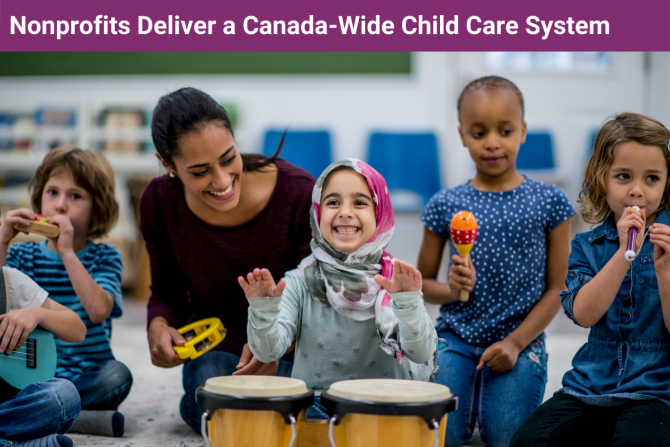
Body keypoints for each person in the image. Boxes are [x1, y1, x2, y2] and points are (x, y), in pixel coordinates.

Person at [142, 87, 315, 432]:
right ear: (166, 164)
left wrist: (275, 347)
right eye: (199, 171)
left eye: (227, 158)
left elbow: (317, 300)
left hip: (294, 345)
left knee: (302, 411)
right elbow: (166, 292)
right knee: (221, 411)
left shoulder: (299, 193)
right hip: (219, 347)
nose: (222, 181)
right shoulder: (159, 204)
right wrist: (158, 326)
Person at [416, 76, 575, 447]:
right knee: (443, 437)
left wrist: (516, 344)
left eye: (504, 130)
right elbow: (422, 284)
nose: (491, 142)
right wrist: (453, 290)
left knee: (506, 438)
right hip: (455, 337)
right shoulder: (444, 204)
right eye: (478, 132)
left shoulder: (550, 202)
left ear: (522, 131)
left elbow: (559, 288)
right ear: (461, 134)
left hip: (521, 337)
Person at [511, 113, 670, 446]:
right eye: (624, 176)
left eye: (652, 178)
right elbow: (583, 315)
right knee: (528, 442)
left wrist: (665, 273)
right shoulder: (586, 246)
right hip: (590, 387)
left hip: (656, 391)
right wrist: (621, 257)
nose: (637, 191)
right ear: (602, 180)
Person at [240, 159, 438, 418]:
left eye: (359, 202)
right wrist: (263, 311)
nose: (345, 212)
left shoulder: (399, 283)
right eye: (333, 202)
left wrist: (408, 302)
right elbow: (269, 351)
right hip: (316, 404)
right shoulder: (297, 281)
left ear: (380, 214)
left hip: (387, 404)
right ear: (317, 213)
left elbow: (420, 351)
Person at [0, 147, 131, 438]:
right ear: (39, 197)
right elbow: (0, 293)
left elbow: (98, 311)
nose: (60, 205)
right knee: (43, 392)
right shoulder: (22, 254)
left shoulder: (106, 257)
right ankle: (74, 416)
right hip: (28, 374)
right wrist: (3, 240)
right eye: (52, 192)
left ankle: (48, 411)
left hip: (87, 374)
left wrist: (68, 253)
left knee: (118, 375)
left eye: (75, 196)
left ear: (97, 206)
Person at [0, 265, 86, 447]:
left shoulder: (8, 280)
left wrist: (37, 313)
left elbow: (78, 330)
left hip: (8, 404)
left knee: (63, 395)